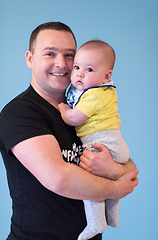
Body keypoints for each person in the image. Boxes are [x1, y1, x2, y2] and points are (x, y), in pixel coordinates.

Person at [0, 22, 138, 240]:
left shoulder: (81, 109)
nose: (61, 64)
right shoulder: (20, 113)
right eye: (50, 54)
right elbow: (59, 178)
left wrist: (112, 169)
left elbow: (129, 168)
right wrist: (116, 188)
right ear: (30, 59)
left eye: (69, 55)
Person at [58, 40, 130, 240]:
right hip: (116, 145)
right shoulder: (105, 90)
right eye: (77, 67)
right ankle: (112, 216)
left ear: (107, 76)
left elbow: (74, 118)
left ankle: (96, 222)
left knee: (91, 183)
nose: (80, 74)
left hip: (100, 142)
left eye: (89, 70)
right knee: (110, 178)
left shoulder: (94, 95)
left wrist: (64, 109)